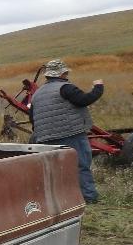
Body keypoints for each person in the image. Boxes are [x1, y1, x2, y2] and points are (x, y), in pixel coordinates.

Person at [29, 59, 104, 203]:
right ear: (62, 73)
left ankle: (60, 200)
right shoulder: (65, 88)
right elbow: (84, 100)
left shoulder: (37, 94)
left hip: (44, 138)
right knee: (81, 166)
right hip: (71, 134)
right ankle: (89, 198)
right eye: (66, 72)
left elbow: (33, 118)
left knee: (55, 170)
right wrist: (98, 87)